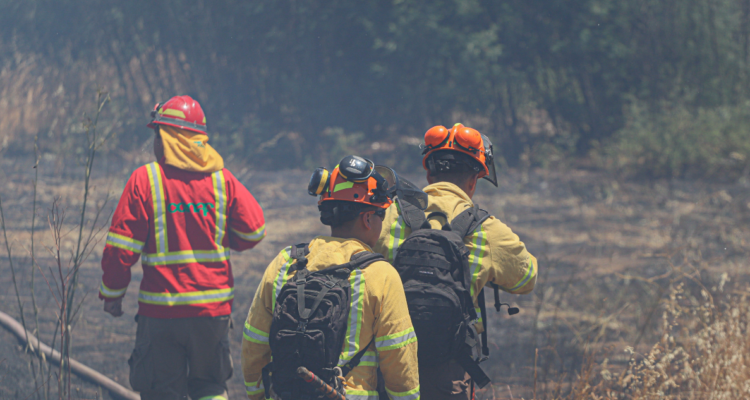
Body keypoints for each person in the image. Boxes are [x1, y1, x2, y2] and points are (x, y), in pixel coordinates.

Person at [99, 95, 266, 400]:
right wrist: (220, 234)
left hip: (162, 313)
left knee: (162, 391)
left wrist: (112, 295)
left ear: (166, 137)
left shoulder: (145, 179)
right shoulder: (221, 180)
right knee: (211, 387)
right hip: (212, 314)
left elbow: (120, 250)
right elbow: (254, 231)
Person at [374, 123, 538, 400]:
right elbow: (527, 278)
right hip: (448, 368)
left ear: (428, 172)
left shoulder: (387, 215)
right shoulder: (487, 228)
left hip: (386, 363)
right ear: (474, 180)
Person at [241, 155, 421, 400]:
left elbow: (254, 342)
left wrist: (257, 395)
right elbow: (398, 356)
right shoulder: (381, 274)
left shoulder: (285, 262)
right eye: (382, 215)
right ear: (368, 219)